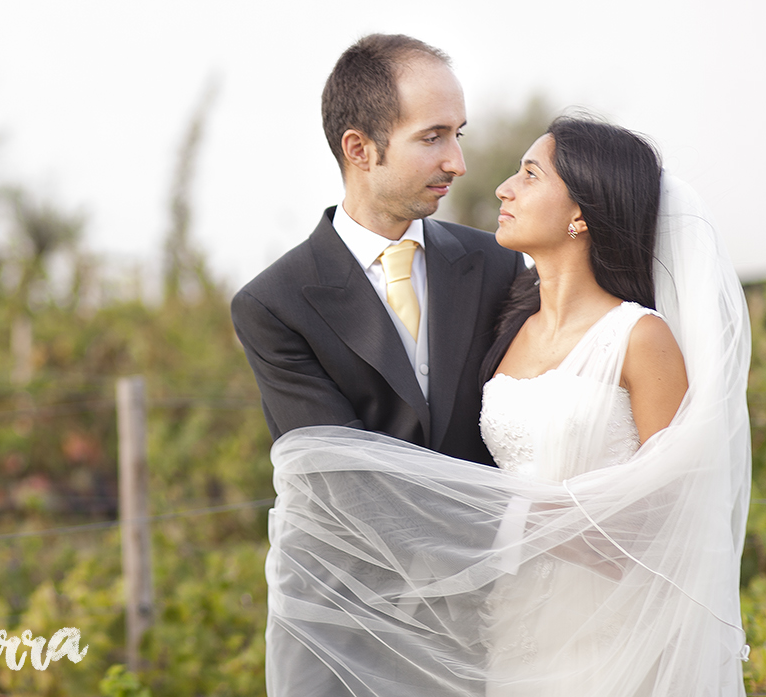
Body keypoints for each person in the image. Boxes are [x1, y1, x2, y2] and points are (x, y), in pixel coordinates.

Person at [264, 117, 750, 696]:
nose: (502, 188)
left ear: (581, 214)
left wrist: (506, 523)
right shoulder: (509, 323)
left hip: (607, 629)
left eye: (529, 174)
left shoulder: (641, 338)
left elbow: (674, 523)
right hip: (510, 624)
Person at [232, 34, 526, 466]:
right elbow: (338, 475)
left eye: (457, 134)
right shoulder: (275, 305)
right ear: (359, 150)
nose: (457, 163)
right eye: (432, 138)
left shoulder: (498, 263)